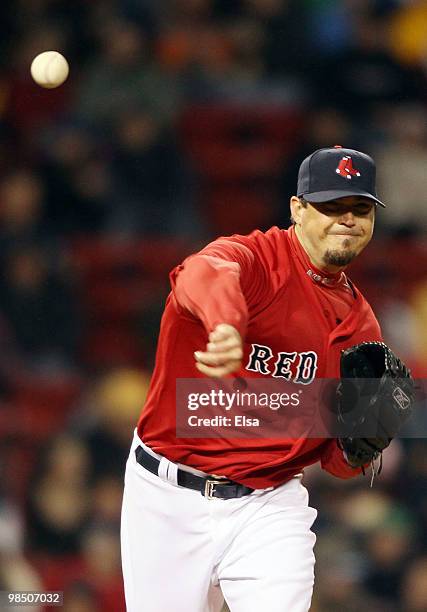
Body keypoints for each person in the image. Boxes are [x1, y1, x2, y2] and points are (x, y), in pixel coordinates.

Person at [121, 146, 386, 612]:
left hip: (268, 504)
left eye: (359, 209)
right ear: (297, 209)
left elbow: (336, 463)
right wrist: (224, 322)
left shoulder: (362, 330)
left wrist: (361, 444)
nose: (347, 219)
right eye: (330, 206)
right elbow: (201, 272)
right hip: (166, 499)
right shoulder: (257, 259)